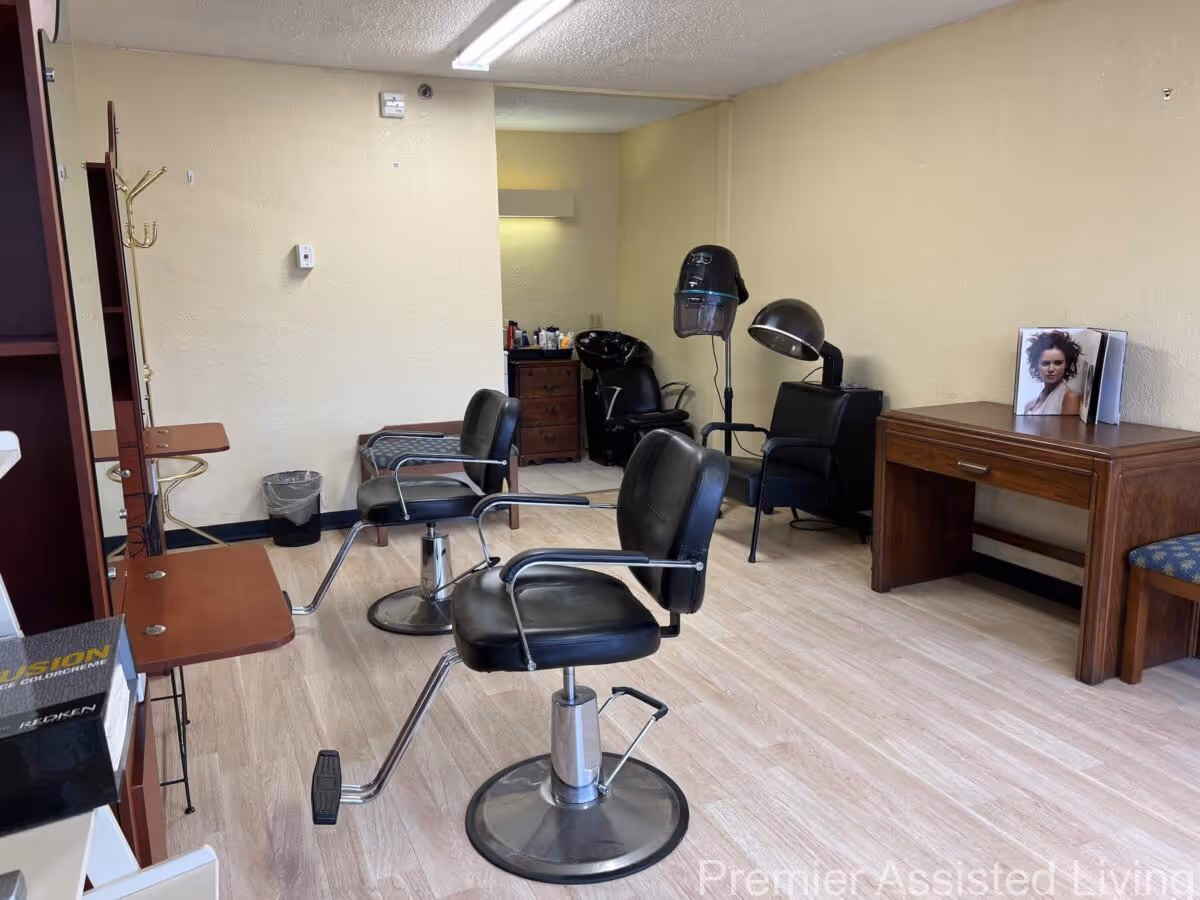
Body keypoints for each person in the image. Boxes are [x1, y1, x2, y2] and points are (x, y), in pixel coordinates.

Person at [1023, 330, 1083, 415]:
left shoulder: (1070, 398)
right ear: (1036, 365)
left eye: (1058, 363)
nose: (1051, 369)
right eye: (1045, 363)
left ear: (1066, 364)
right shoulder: (1029, 405)